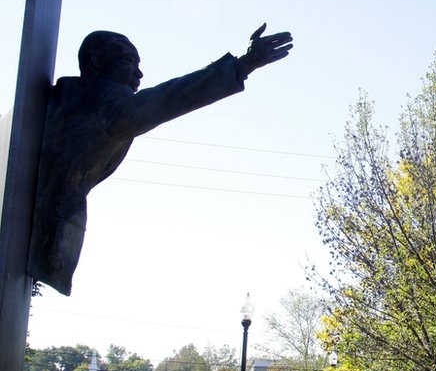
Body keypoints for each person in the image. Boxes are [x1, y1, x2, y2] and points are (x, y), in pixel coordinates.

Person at [28, 24, 293, 295]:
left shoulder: (71, 99)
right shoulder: (102, 103)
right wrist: (242, 65)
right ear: (97, 61)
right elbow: (166, 99)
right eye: (128, 61)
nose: (139, 73)